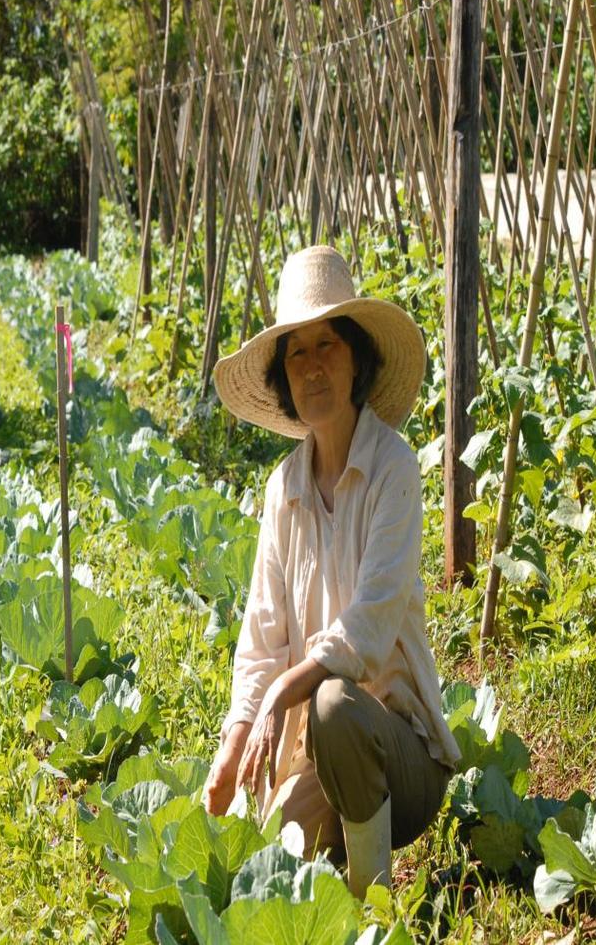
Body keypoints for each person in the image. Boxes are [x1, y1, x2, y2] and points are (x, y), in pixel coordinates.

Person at [203, 245, 459, 898]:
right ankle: (337, 870)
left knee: (332, 700)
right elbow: (260, 638)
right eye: (297, 352)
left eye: (327, 345)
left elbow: (367, 631)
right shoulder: (281, 489)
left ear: (356, 357)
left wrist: (282, 693)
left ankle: (374, 900)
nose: (314, 366)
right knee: (255, 880)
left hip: (399, 758)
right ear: (284, 378)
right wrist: (236, 740)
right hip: (313, 757)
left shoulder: (393, 469)